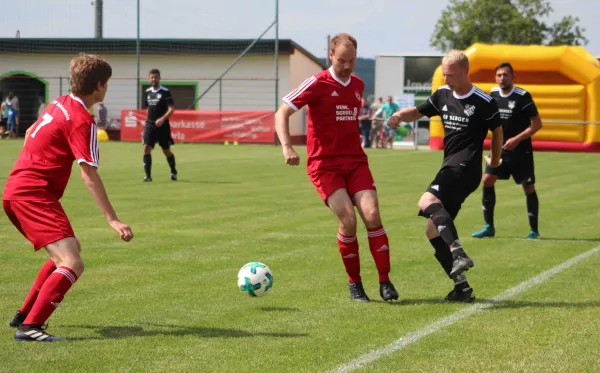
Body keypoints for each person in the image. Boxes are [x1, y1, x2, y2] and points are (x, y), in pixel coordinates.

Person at [3, 53, 133, 342]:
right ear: (99, 86)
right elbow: (88, 174)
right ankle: (31, 327)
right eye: (107, 83)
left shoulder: (58, 103)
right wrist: (112, 219)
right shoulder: (82, 122)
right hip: (33, 195)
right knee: (73, 263)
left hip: (17, 191)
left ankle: (24, 315)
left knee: (70, 248)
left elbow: (28, 132)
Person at [275, 33, 399, 302]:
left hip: (355, 161)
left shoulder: (358, 84)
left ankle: (385, 281)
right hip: (324, 165)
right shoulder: (317, 82)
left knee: (372, 213)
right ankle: (355, 284)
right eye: (342, 60)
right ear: (331, 56)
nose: (347, 65)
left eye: (351, 60)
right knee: (349, 220)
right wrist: (287, 146)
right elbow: (282, 111)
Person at [387, 50, 503, 302]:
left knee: (426, 202)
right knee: (433, 229)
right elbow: (418, 112)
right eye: (443, 74)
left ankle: (458, 252)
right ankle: (462, 287)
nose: (445, 78)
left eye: (449, 74)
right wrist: (398, 116)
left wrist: (494, 161)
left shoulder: (484, 101)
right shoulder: (442, 94)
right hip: (451, 166)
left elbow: (497, 132)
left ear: (465, 71)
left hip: (465, 167)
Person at [472, 62, 543, 240]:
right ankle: (489, 226)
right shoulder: (493, 95)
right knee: (487, 180)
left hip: (521, 151)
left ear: (513, 77)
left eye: (505, 75)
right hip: (498, 149)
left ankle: (534, 230)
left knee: (528, 186)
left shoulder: (523, 96)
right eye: (499, 75)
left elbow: (537, 124)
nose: (502, 78)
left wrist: (517, 139)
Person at [142, 69, 177, 182]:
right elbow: (147, 108)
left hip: (163, 126)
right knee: (146, 148)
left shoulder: (165, 92)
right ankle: (148, 176)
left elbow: (171, 109)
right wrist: (147, 121)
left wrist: (162, 119)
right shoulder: (147, 92)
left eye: (156, 77)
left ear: (159, 78)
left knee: (166, 150)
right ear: (149, 78)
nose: (154, 79)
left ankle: (173, 171)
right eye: (152, 77)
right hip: (150, 125)